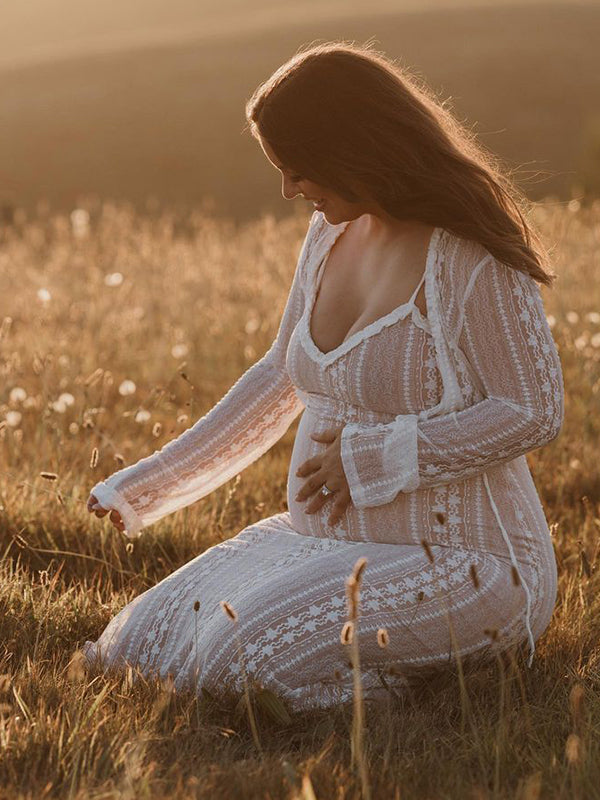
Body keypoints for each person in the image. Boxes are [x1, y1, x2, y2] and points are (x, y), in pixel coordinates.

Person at [83, 42, 564, 713]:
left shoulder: (470, 257)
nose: (289, 190)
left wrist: (373, 457)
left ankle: (434, 693)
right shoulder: (327, 236)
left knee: (235, 664)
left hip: (467, 564)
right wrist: (143, 487)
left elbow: (533, 410)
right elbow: (282, 375)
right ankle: (399, 678)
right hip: (324, 544)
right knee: (137, 644)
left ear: (355, 150)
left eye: (298, 168)